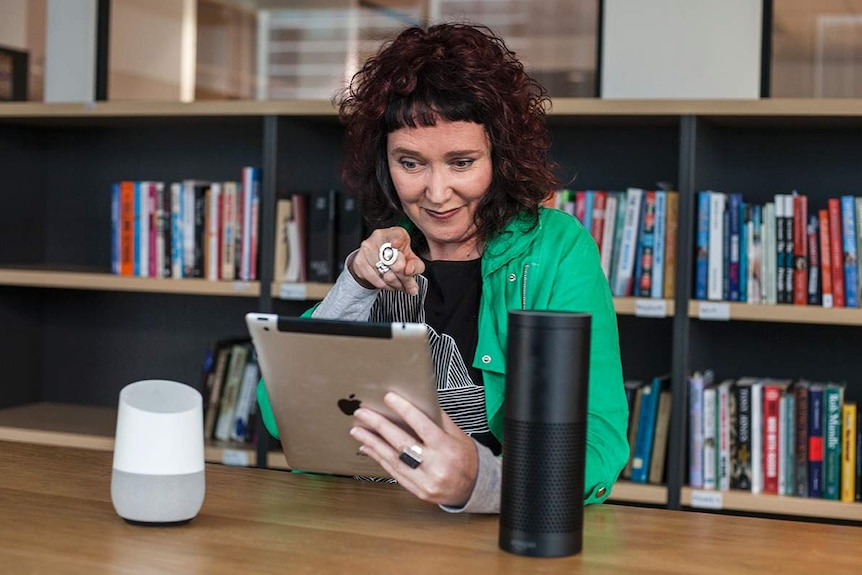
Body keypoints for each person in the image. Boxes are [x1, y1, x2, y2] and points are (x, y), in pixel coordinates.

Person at [257, 22, 629, 513]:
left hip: (499, 526)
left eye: (461, 162)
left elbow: (598, 439)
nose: (435, 194)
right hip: (369, 523)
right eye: (410, 163)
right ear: (383, 162)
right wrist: (356, 283)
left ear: (501, 157)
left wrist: (480, 482)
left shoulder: (557, 248)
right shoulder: (386, 248)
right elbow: (281, 410)